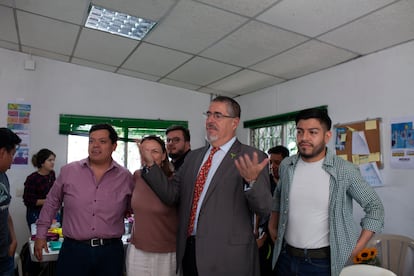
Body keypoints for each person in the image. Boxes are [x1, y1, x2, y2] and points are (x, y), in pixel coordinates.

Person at [139, 96, 272, 276]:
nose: (210, 120)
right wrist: (150, 166)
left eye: (218, 115)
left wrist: (252, 182)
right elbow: (171, 195)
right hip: (190, 251)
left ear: (234, 123)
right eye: (208, 114)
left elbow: (264, 209)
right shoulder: (193, 157)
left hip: (228, 257)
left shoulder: (251, 156)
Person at [268, 108, 384, 276]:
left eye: (312, 132)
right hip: (285, 257)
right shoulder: (287, 165)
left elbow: (375, 208)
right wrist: (272, 224)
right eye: (300, 132)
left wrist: (357, 248)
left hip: (321, 264)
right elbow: (279, 196)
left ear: (327, 136)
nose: (304, 138)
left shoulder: (344, 170)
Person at [34, 123, 134, 276]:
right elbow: (52, 203)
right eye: (91, 141)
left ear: (114, 146)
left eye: (102, 141)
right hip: (74, 250)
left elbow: (132, 209)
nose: (95, 146)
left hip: (110, 252)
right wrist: (41, 234)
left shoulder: (126, 177)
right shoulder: (69, 171)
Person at [125, 135, 178, 275]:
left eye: (154, 151)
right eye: (145, 151)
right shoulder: (137, 176)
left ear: (164, 155)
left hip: (165, 252)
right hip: (138, 250)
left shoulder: (174, 179)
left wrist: (151, 165)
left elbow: (170, 198)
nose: (148, 155)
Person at [256, 145, 289, 276]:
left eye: (277, 163)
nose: (273, 166)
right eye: (271, 163)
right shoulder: (264, 183)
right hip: (266, 237)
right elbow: (257, 208)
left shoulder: (290, 183)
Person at [0, 127, 21, 276]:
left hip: (5, 255)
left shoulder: (3, 177)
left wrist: (13, 239)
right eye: (12, 154)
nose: (12, 161)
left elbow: (5, 211)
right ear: (2, 152)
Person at [23, 148, 57, 229]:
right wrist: (48, 201)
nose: (53, 162)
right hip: (36, 213)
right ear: (42, 163)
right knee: (38, 238)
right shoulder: (32, 178)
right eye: (50, 160)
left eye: (53, 160)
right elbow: (28, 201)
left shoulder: (52, 174)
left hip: (51, 211)